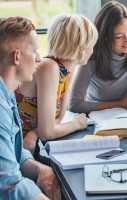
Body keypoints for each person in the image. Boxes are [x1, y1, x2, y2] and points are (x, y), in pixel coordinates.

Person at [14, 14, 98, 163]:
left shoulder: (67, 70)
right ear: (82, 48)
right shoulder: (49, 67)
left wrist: (35, 133)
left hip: (28, 147)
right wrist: (77, 124)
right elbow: (48, 132)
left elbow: (59, 117)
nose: (93, 49)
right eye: (91, 44)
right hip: (16, 151)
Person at [0, 16, 60, 200]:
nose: (38, 58)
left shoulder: (7, 94)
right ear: (16, 57)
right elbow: (10, 185)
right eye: (34, 51)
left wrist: (40, 168)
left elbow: (13, 153)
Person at [69, 1, 127, 114]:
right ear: (105, 37)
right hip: (97, 119)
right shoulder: (91, 56)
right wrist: (120, 104)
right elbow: (74, 104)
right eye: (118, 36)